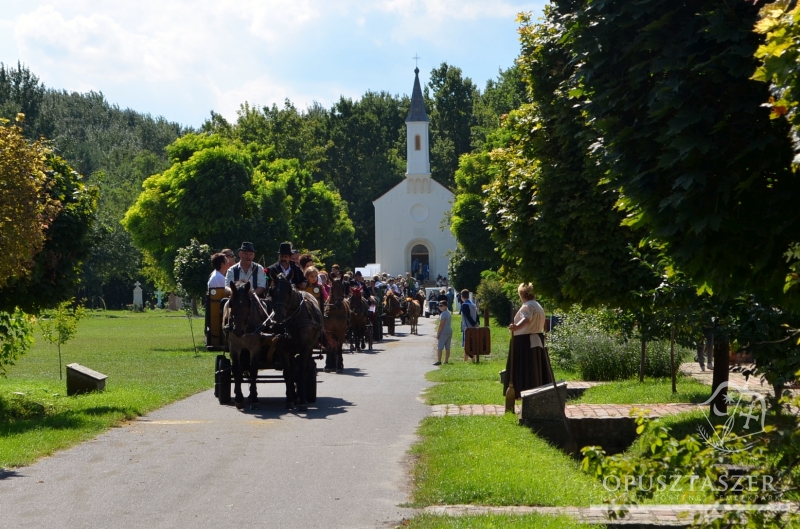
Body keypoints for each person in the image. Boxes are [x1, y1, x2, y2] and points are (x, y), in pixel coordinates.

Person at [505, 283, 551, 399]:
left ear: (522, 294)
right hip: (536, 339)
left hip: (524, 341)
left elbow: (526, 319)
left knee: (525, 369)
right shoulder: (538, 306)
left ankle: (523, 391)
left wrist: (516, 327)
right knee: (534, 367)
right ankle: (535, 391)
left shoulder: (528, 306)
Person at [459, 289, 480, 359]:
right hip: (474, 326)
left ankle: (467, 359)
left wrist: (473, 324)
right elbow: (477, 315)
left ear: (462, 296)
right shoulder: (473, 304)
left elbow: (468, 316)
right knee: (472, 343)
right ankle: (471, 359)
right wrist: (477, 323)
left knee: (466, 344)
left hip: (468, 327)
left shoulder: (464, 305)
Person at [435, 301, 452, 365]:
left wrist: (438, 333)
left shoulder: (443, 314)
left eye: (441, 306)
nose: (440, 307)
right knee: (447, 347)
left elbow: (441, 324)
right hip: (449, 331)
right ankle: (446, 361)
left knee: (440, 347)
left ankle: (439, 360)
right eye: (439, 305)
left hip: (444, 332)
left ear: (445, 306)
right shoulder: (449, 313)